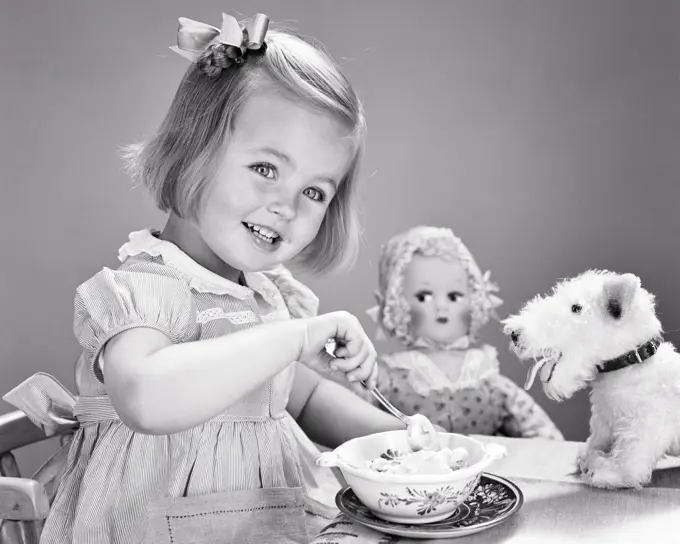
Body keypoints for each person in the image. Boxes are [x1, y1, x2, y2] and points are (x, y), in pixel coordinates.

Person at [3, 13, 404, 543]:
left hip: (260, 527)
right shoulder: (145, 290)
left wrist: (402, 439)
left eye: (314, 192)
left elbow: (302, 400)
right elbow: (147, 396)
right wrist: (296, 337)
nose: (286, 205)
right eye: (266, 168)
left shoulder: (265, 296)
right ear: (195, 149)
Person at [360, 225, 564, 439]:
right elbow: (353, 426)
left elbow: (543, 434)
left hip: (481, 472)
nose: (441, 306)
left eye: (454, 296)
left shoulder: (485, 377)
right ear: (396, 304)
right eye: (424, 296)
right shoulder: (385, 377)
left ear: (474, 299)